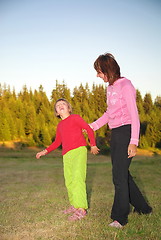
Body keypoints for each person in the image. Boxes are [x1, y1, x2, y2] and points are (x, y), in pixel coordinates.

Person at [89, 53, 152, 228]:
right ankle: (143, 208)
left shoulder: (125, 85)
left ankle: (120, 218)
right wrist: (92, 126)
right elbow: (110, 113)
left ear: (108, 69)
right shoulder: (110, 87)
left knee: (118, 176)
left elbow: (134, 115)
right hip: (115, 134)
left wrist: (133, 141)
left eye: (99, 71)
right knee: (123, 173)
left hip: (126, 132)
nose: (97, 75)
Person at [36, 98, 99, 221]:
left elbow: (89, 129)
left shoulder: (75, 118)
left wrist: (93, 144)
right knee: (69, 180)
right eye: (58, 106)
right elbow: (57, 142)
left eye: (63, 104)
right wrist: (45, 151)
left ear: (68, 108)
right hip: (66, 155)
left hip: (79, 151)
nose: (60, 106)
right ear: (57, 113)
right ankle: (74, 205)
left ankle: (81, 208)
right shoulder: (60, 125)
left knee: (77, 178)